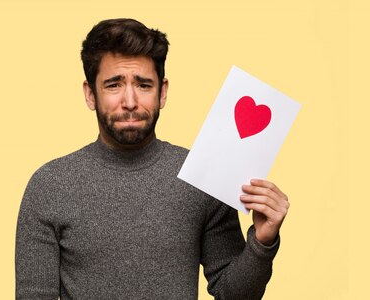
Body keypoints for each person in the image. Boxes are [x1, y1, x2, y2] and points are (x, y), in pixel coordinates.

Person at [15, 18, 290, 300]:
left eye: (144, 85)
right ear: (90, 94)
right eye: (113, 85)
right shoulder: (50, 186)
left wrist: (262, 240)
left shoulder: (203, 177)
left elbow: (233, 294)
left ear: (163, 92)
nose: (130, 101)